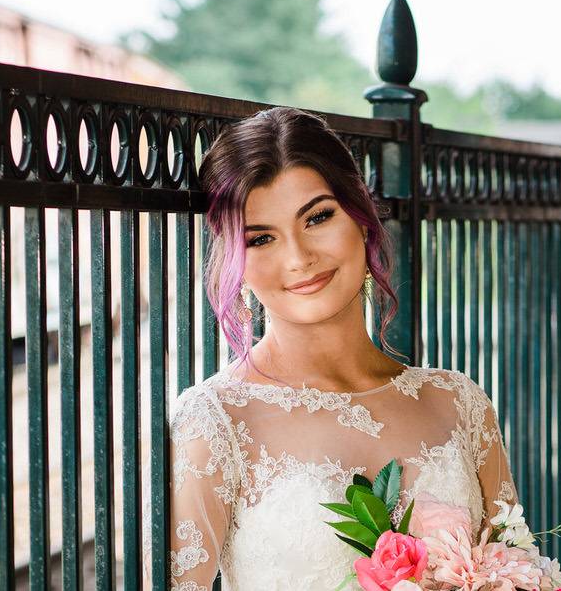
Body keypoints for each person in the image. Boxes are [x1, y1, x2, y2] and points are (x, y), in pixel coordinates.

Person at [147, 106, 520, 590]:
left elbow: (516, 566)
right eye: (261, 238)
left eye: (318, 217)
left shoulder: (458, 403)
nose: (299, 258)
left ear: (361, 219)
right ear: (237, 261)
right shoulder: (216, 423)